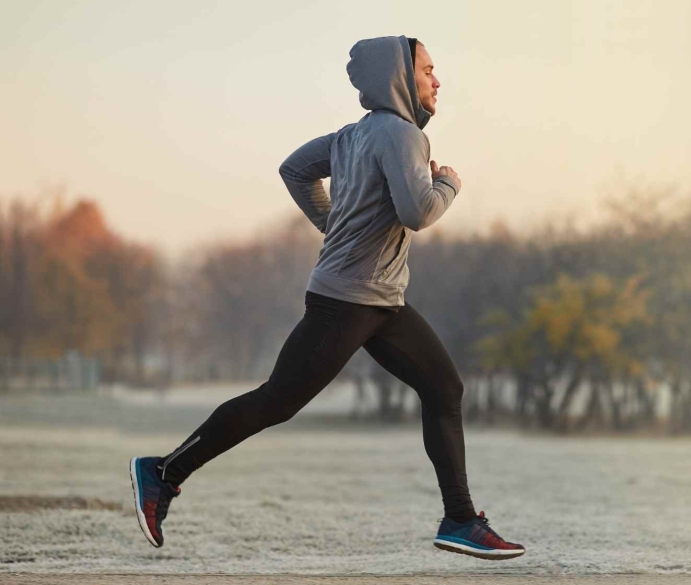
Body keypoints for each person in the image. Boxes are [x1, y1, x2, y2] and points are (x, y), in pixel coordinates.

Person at [128, 35, 525, 561]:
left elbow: (294, 168)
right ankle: (162, 473)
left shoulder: (353, 136)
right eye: (428, 69)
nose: (437, 80)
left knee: (444, 388)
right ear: (401, 77)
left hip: (382, 302)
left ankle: (459, 519)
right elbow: (418, 212)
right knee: (278, 400)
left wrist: (331, 223)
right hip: (348, 301)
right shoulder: (404, 137)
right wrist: (448, 184)